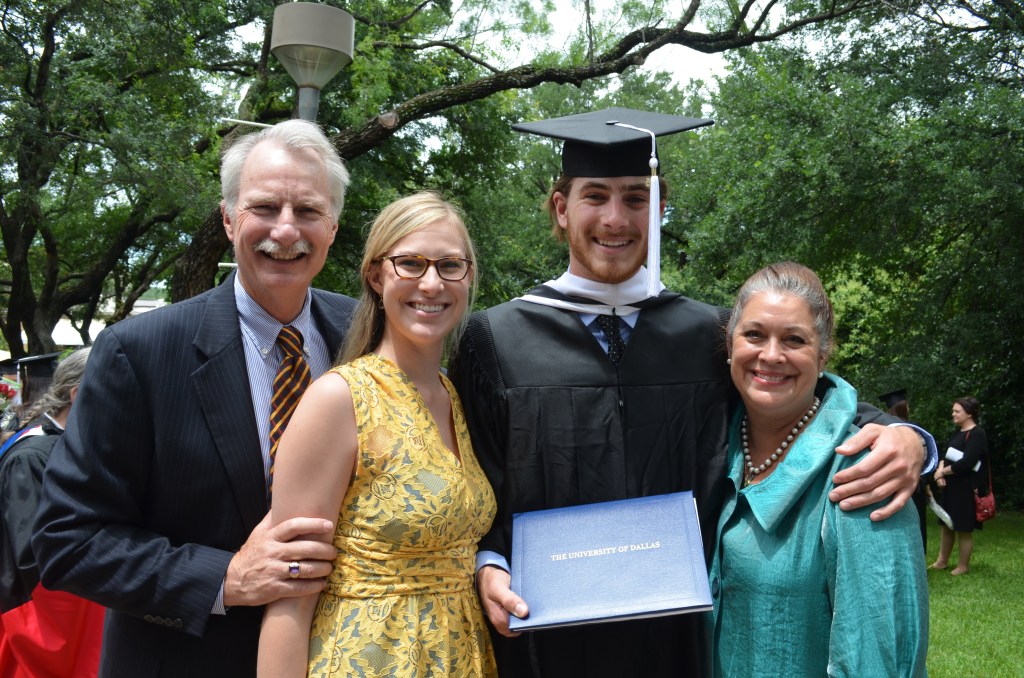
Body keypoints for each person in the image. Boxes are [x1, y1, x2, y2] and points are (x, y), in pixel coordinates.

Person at [448, 107, 937, 677]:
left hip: (682, 642)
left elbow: (808, 399)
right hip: (548, 637)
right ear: (561, 208)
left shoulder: (706, 334)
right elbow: (475, 480)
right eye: (595, 196)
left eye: (636, 197)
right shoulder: (497, 339)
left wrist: (909, 438)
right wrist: (488, 561)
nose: (615, 217)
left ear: (659, 209)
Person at [32, 119, 357, 677]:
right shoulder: (138, 352)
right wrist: (226, 579)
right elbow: (67, 540)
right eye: (264, 208)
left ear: (333, 225)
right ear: (230, 219)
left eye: (307, 211)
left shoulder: (364, 337)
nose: (285, 231)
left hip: (348, 656)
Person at [258, 191, 497, 677]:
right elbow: (289, 593)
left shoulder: (455, 396)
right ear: (376, 274)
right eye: (410, 263)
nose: (431, 283)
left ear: (468, 277)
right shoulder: (339, 400)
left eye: (450, 265)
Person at [708, 262, 928, 676]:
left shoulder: (863, 474)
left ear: (823, 354)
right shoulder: (708, 444)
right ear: (730, 343)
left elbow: (879, 658)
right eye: (754, 334)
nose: (771, 355)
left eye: (794, 339)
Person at [0, 347, 104, 677]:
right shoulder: (30, 457)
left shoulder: (78, 448)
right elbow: (33, 557)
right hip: (41, 618)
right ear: (78, 395)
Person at [930, 396, 989, 575]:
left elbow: (967, 462)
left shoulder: (977, 433)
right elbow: (945, 454)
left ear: (969, 413)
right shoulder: (958, 432)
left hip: (966, 487)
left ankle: (963, 566)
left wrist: (942, 472)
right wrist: (939, 472)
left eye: (957, 411)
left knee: (963, 527)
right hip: (951, 486)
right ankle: (942, 561)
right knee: (947, 523)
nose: (953, 414)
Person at [882, 387, 930, 553]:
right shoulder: (913, 427)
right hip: (916, 481)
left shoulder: (884, 426)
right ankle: (918, 553)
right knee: (917, 521)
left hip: (892, 482)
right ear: (903, 407)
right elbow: (925, 454)